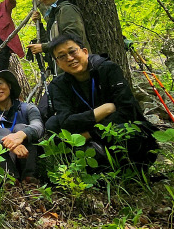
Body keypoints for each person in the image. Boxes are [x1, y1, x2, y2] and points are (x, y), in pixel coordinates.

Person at [46, 34, 158, 168]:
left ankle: (131, 170)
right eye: (62, 56)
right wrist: (105, 110)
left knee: (126, 130)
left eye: (72, 51)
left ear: (85, 51)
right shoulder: (58, 85)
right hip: (89, 135)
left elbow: (127, 111)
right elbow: (66, 122)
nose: (70, 58)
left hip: (115, 133)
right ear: (58, 63)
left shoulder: (107, 69)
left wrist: (89, 134)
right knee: (52, 125)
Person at [0, 70, 44, 182]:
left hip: (29, 157)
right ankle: (10, 181)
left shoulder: (28, 108)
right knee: (3, 133)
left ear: (9, 85)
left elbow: (38, 127)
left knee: (21, 128)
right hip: (3, 162)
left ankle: (30, 180)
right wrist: (8, 143)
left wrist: (21, 135)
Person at [26, 0, 90, 74]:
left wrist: (44, 47)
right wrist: (39, 24)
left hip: (77, 68)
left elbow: (73, 37)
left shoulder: (66, 10)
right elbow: (52, 40)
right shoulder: (55, 13)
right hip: (65, 71)